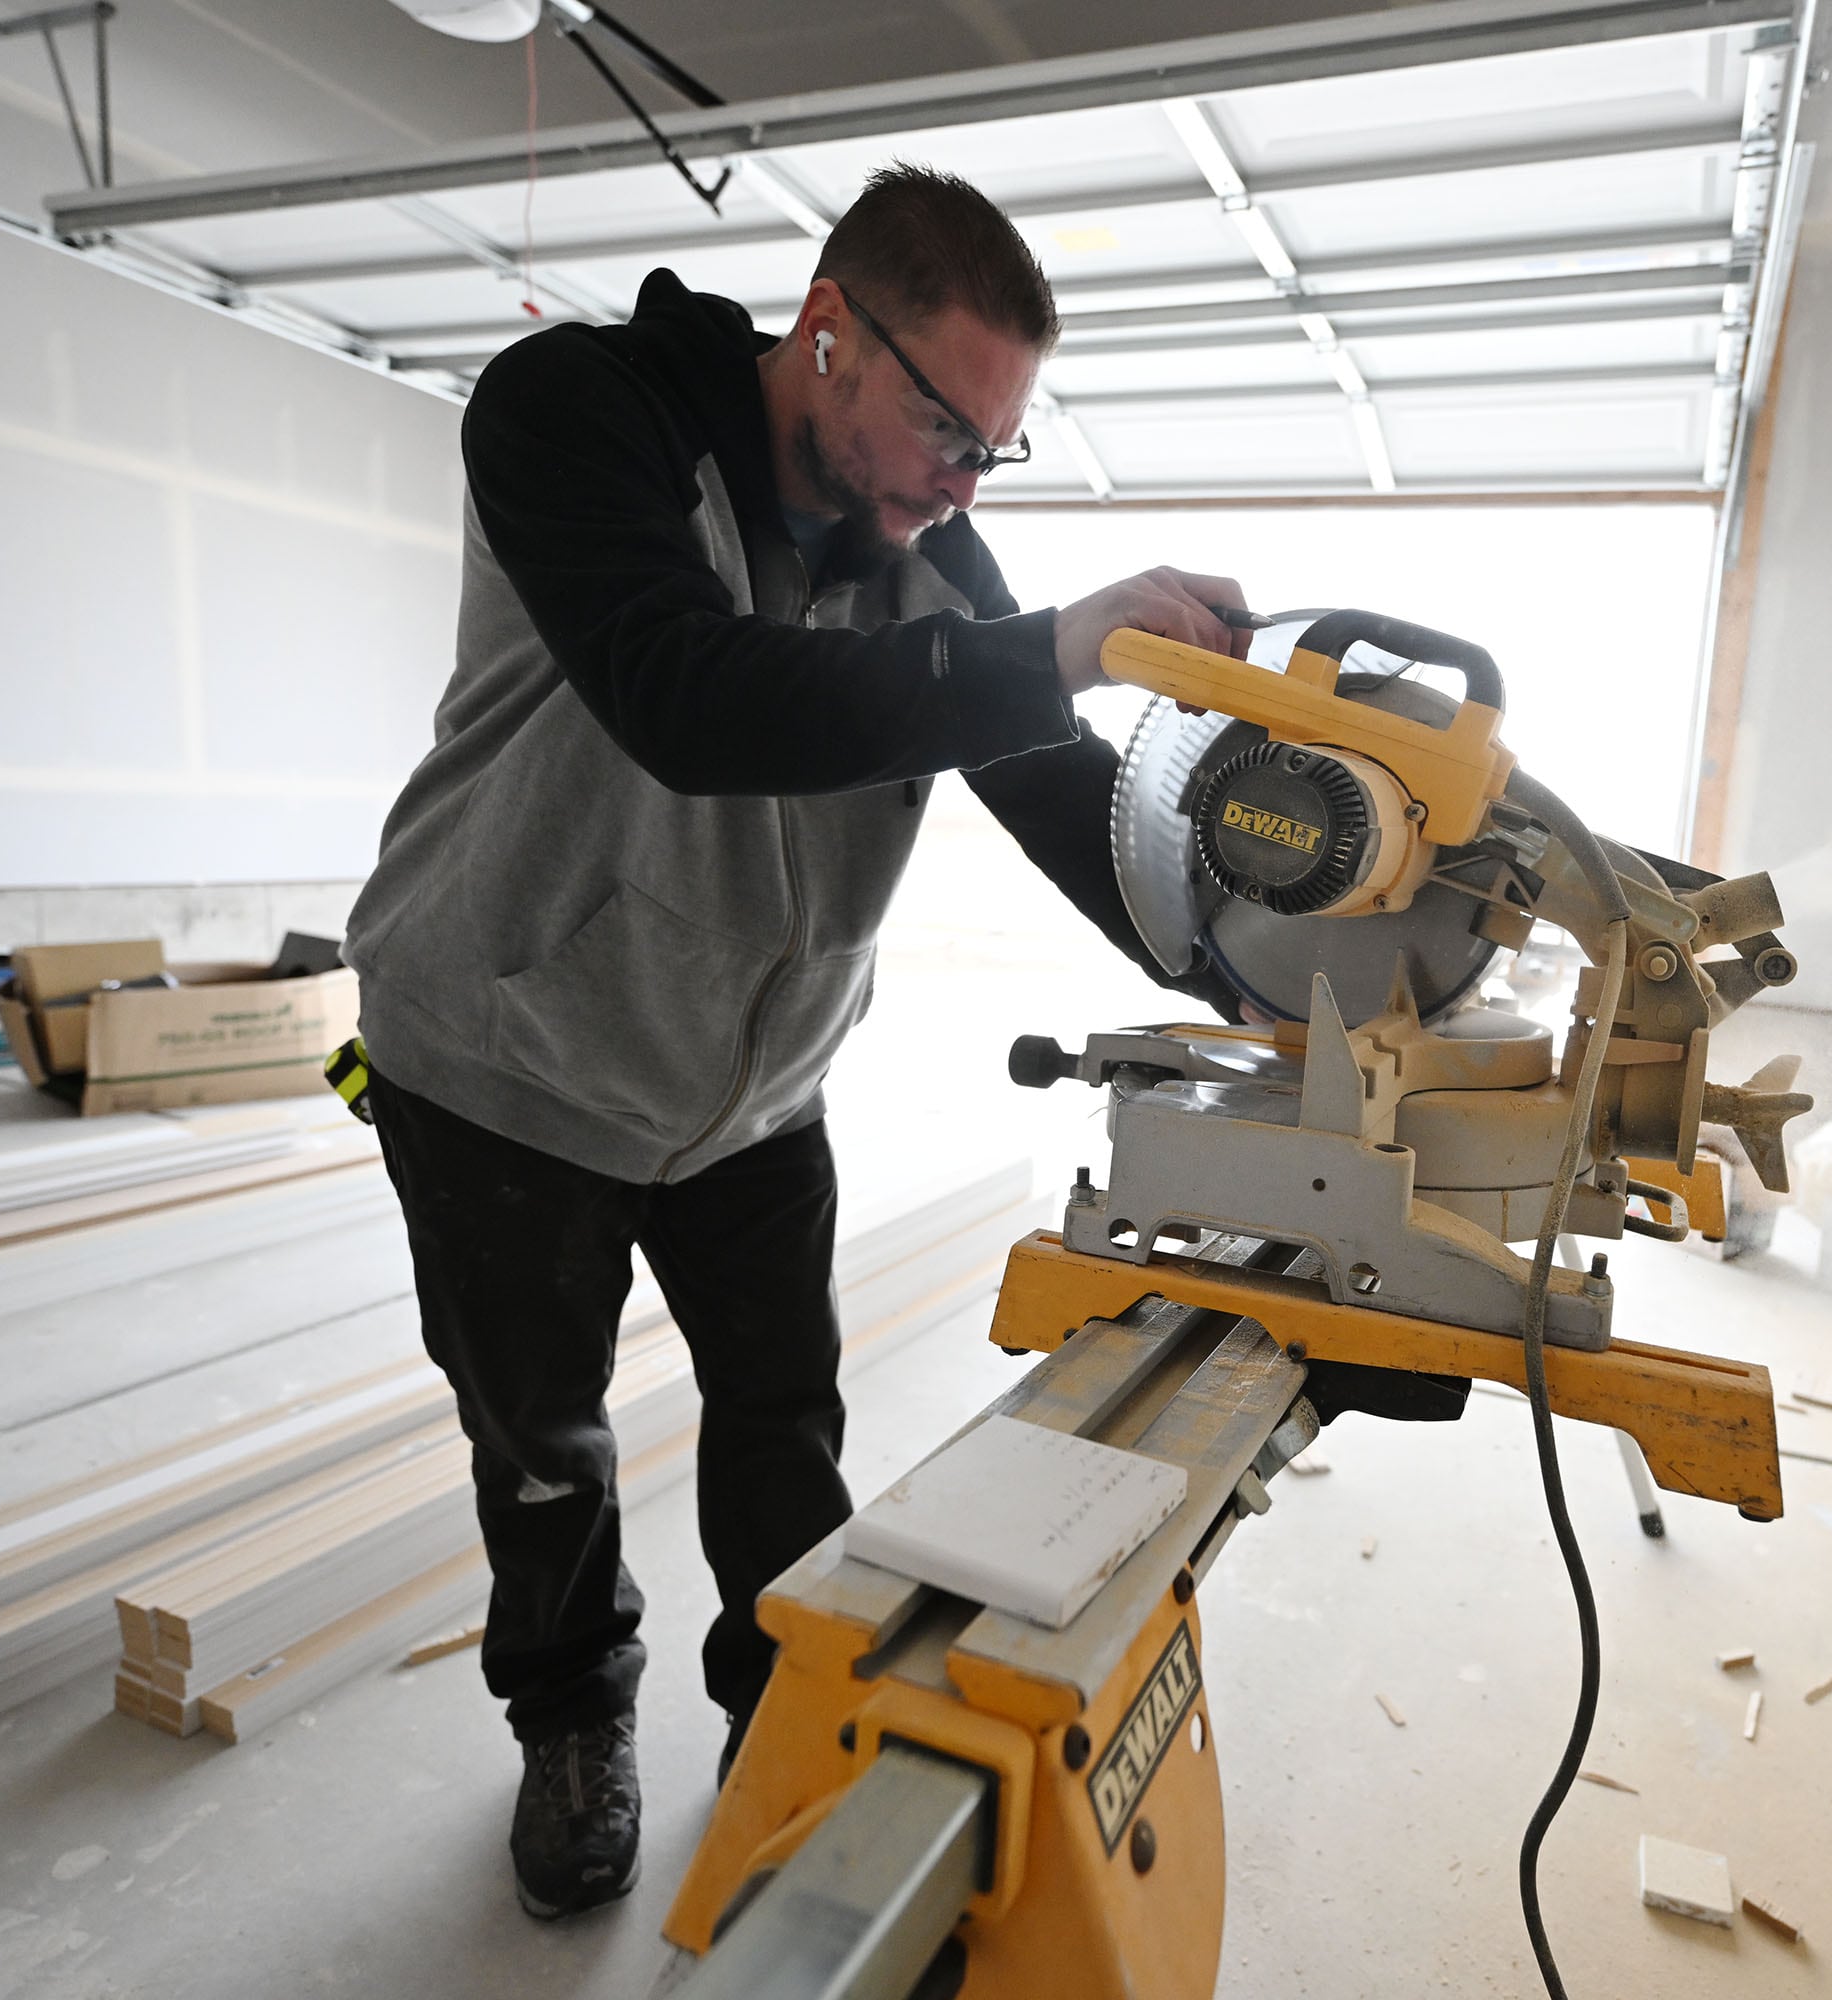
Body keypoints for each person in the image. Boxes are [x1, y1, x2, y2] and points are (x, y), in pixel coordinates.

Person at [338, 162, 1250, 1920]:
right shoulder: (577, 418)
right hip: (503, 1059)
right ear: (828, 332)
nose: (963, 480)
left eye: (998, 451)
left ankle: (791, 1724)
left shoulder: (923, 545)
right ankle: (574, 1716)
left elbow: (1058, 785)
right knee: (543, 1443)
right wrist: (1051, 645)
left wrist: (1250, 948)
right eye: (946, 428)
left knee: (782, 1429)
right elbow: (691, 696)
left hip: (750, 1095)